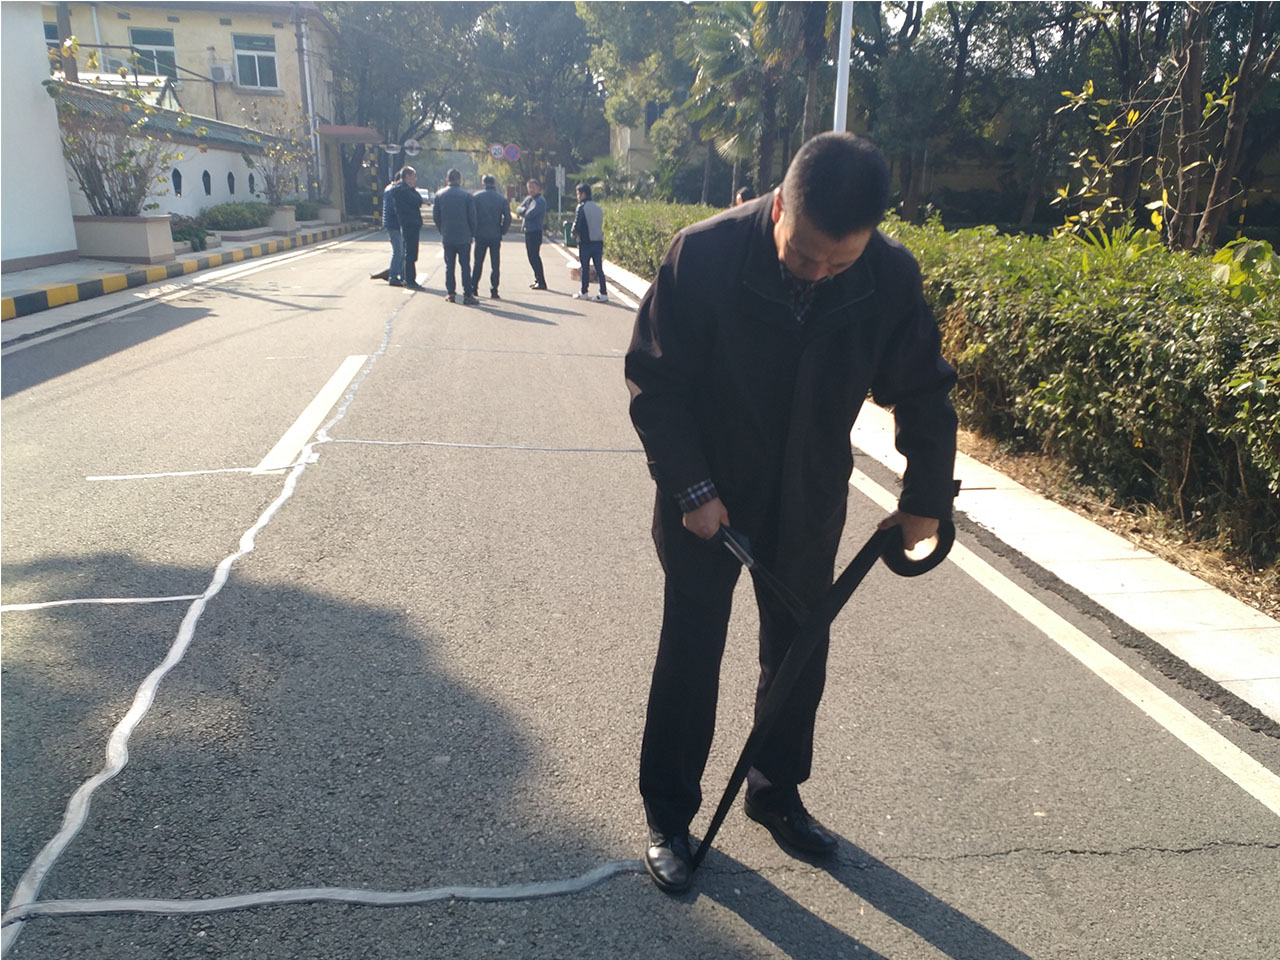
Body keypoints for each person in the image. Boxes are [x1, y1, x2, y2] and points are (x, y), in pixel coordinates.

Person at [625, 133, 957, 894]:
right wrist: (692, 490)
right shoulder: (703, 256)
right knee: (691, 651)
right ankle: (669, 814)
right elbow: (655, 382)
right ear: (779, 206)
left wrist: (925, 500)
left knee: (800, 650)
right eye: (806, 255)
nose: (819, 272)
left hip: (808, 493)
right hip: (707, 496)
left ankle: (776, 790)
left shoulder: (888, 275)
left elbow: (923, 390)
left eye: (840, 263)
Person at [433, 168, 479, 305]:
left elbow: (436, 217)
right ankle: (468, 295)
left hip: (448, 236)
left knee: (449, 266)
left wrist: (442, 230)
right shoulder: (467, 196)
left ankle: (451, 293)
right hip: (464, 237)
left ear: (447, 180)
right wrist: (472, 233)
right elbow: (472, 218)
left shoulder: (439, 195)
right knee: (465, 266)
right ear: (460, 180)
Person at [471, 174, 512, 300]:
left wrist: (473, 231)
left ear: (483, 183)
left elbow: (471, 216)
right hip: (495, 235)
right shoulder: (501, 199)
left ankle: (474, 287)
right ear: (494, 183)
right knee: (495, 264)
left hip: (480, 234)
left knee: (478, 262)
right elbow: (508, 218)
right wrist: (502, 231)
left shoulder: (476, 197)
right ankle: (494, 290)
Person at [570, 183, 608, 302]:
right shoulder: (598, 208)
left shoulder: (581, 207)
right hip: (598, 242)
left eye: (578, 194)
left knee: (585, 268)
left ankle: (584, 292)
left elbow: (577, 223)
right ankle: (603, 293)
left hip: (585, 243)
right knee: (599, 269)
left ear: (583, 194)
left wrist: (573, 233)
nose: (577, 196)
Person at [391, 166, 425, 291]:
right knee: (410, 253)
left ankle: (408, 277)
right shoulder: (403, 191)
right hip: (409, 223)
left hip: (410, 224)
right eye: (412, 177)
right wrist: (411, 189)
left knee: (410, 252)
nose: (414, 180)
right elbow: (418, 200)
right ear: (406, 177)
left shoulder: (404, 190)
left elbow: (419, 199)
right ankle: (410, 280)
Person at [371, 170, 403, 285]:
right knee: (399, 251)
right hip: (393, 224)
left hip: (392, 223)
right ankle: (393, 276)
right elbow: (394, 208)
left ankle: (397, 273)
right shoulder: (393, 190)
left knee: (401, 251)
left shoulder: (390, 188)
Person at [515, 179, 548, 290]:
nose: (531, 190)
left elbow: (530, 214)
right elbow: (518, 209)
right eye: (529, 187)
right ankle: (537, 279)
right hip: (528, 231)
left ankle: (542, 281)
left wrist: (524, 211)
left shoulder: (540, 200)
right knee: (530, 257)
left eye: (533, 187)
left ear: (538, 188)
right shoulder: (529, 199)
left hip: (535, 231)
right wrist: (523, 210)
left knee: (534, 256)